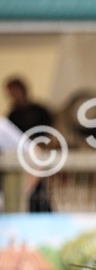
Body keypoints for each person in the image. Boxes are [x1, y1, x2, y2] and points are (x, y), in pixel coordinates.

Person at [4, 76, 54, 212]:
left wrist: (43, 147)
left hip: (38, 156)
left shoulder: (40, 110)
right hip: (20, 160)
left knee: (39, 195)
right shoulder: (13, 115)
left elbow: (53, 133)